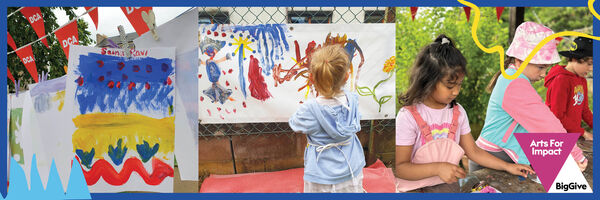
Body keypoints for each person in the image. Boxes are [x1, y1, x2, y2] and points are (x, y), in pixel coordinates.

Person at [395, 34, 533, 193]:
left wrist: (508, 166)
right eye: (450, 85)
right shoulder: (408, 116)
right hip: (414, 189)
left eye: (459, 85)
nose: (455, 92)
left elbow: (473, 152)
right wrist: (438, 168)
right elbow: (401, 168)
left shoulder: (458, 112)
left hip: (447, 187)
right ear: (427, 80)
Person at [471, 22, 587, 172]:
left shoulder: (513, 77)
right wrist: (576, 155)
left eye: (547, 67)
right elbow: (546, 125)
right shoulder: (514, 82)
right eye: (540, 67)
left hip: (502, 153)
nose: (544, 74)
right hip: (492, 159)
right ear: (519, 61)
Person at [289, 44, 365, 193]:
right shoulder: (353, 100)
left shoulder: (309, 109)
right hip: (351, 170)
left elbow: (295, 124)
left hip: (320, 174)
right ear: (346, 77)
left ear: (311, 78)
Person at [544, 37, 593, 141]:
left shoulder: (582, 80)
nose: (591, 68)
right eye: (589, 64)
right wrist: (583, 132)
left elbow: (584, 110)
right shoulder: (561, 80)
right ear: (575, 59)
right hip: (555, 136)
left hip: (571, 134)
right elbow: (557, 115)